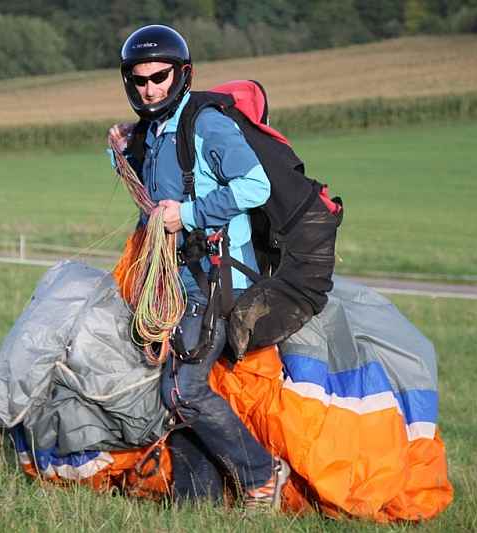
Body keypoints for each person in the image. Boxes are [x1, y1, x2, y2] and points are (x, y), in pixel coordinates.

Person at [108, 24, 290, 510]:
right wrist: (120, 150)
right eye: (139, 80)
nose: (150, 88)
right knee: (171, 387)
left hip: (215, 282)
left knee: (182, 390)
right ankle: (196, 501)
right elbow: (153, 186)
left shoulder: (206, 125)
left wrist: (187, 215)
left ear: (181, 74)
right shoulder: (154, 131)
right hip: (175, 283)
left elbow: (255, 186)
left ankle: (262, 475)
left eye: (159, 77)